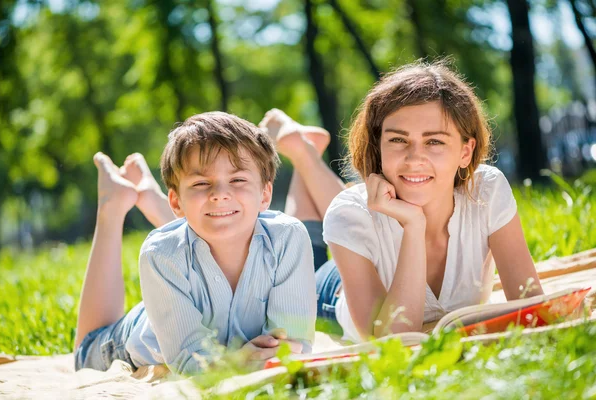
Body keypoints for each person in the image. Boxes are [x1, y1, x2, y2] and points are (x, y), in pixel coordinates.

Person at [274, 61, 544, 343]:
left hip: (363, 231)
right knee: (319, 239)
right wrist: (414, 225)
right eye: (398, 140)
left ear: (466, 152)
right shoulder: (349, 213)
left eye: (434, 142)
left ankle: (304, 150)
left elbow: (532, 306)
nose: (415, 158)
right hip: (330, 293)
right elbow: (394, 341)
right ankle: (302, 152)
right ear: (379, 146)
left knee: (357, 210)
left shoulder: (486, 190)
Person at [74, 112, 316, 374]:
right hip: (137, 340)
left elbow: (292, 344)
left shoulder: (287, 238)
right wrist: (239, 362)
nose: (220, 194)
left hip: (183, 300)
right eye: (202, 183)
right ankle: (112, 206)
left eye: (237, 180)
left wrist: (261, 355)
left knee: (192, 238)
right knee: (84, 352)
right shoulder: (160, 255)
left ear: (265, 193)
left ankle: (146, 195)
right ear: (176, 202)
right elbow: (190, 363)